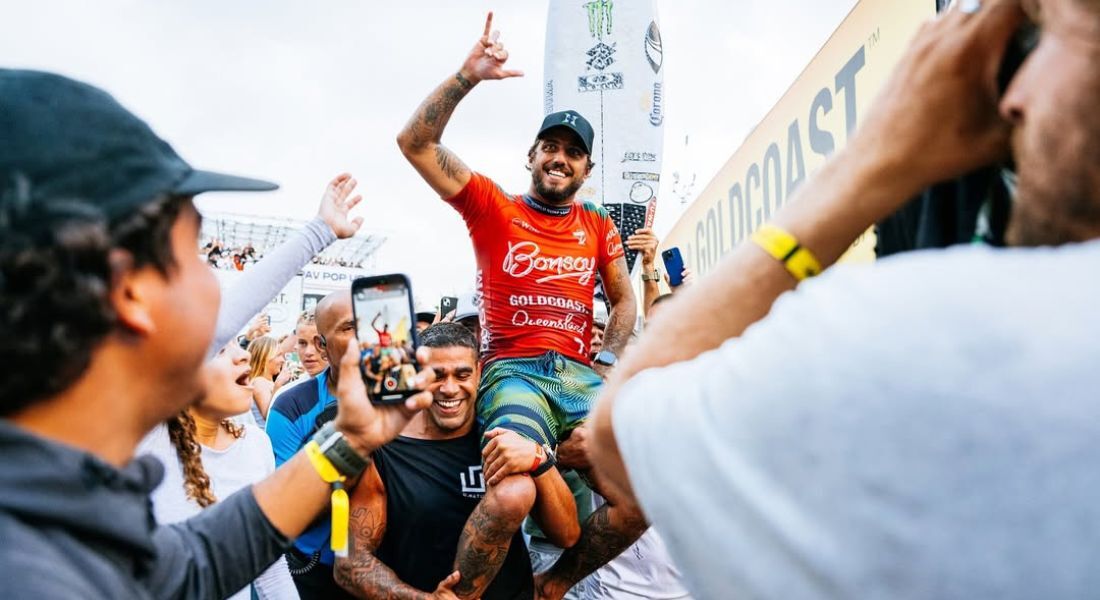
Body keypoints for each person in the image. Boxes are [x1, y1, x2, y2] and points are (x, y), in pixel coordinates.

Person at [588, 1, 1100, 598]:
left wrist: (870, 164)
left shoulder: (929, 335)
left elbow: (618, 433)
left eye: (1047, 38)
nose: (1014, 99)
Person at [0, 69, 433, 598]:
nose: (218, 303)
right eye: (194, 253)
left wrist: (349, 440)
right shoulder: (36, 576)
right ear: (131, 292)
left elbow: (196, 561)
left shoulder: (61, 511)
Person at [397, 13, 644, 598]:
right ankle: (461, 595)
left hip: (580, 376)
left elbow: (624, 299)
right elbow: (415, 144)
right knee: (513, 493)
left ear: (586, 168)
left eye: (573, 153)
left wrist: (607, 365)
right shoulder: (492, 206)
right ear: (531, 155)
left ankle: (551, 585)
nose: (560, 158)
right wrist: (468, 76)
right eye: (550, 147)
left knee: (643, 499)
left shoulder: (598, 222)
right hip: (513, 372)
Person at [335, 323, 583, 599]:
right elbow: (349, 563)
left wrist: (539, 459)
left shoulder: (506, 432)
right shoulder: (384, 447)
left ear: (479, 372)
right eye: (437, 376)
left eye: (462, 375)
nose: (450, 388)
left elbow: (567, 534)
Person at [139, 341, 299, 600]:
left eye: (238, 345)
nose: (244, 355)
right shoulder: (146, 444)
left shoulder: (256, 444)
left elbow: (268, 564)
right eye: (221, 348)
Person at [266, 291, 367, 599]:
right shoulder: (292, 405)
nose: (364, 337)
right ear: (325, 345)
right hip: (314, 571)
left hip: (390, 569)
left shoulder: (409, 401)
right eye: (350, 328)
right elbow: (284, 508)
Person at [247, 335, 291, 428]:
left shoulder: (267, 382)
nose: (283, 360)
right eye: (278, 355)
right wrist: (278, 384)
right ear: (264, 359)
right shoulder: (259, 382)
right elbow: (267, 415)